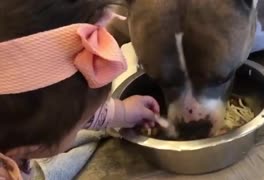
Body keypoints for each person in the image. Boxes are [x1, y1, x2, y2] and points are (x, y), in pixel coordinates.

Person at [0, 1, 159, 179]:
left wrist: (122, 112)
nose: (82, 126)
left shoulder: (20, 124)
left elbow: (72, 115)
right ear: (31, 148)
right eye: (77, 129)